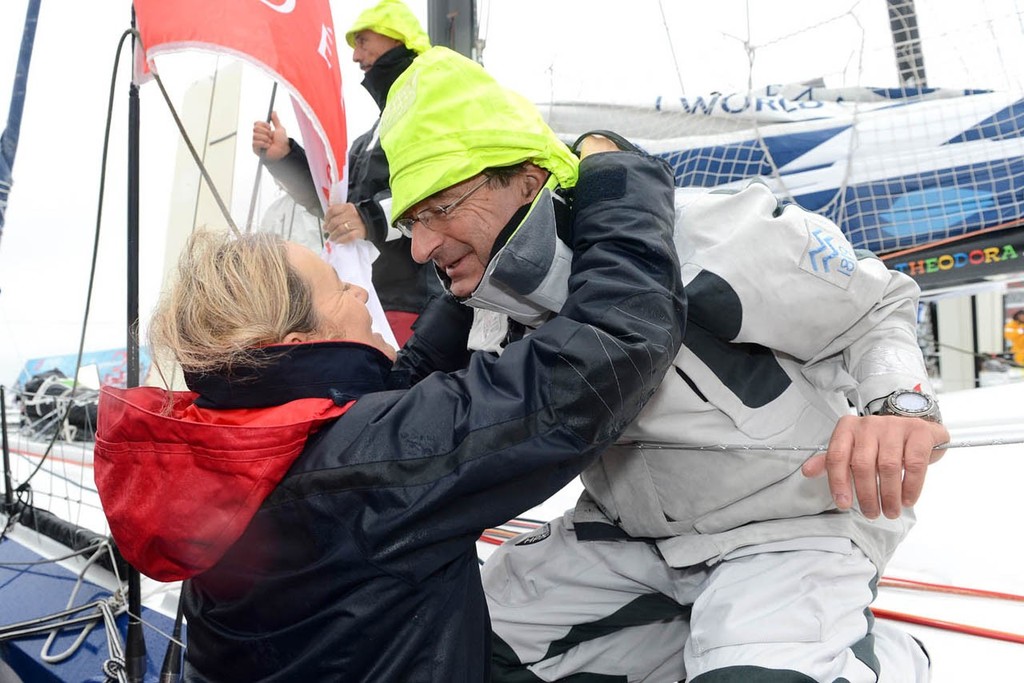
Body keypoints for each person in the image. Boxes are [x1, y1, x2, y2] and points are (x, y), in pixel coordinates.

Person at [378, 47, 952, 682]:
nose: (424, 245)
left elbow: (879, 305)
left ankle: (876, 662)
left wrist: (901, 406)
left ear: (529, 178)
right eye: (411, 223)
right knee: (441, 649)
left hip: (788, 527)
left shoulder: (708, 235)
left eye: (440, 208)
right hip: (626, 537)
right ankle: (700, 648)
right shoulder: (488, 308)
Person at [92, 137, 685, 681]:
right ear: (296, 344)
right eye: (337, 287)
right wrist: (616, 178)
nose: (358, 289)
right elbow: (609, 350)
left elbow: (385, 416)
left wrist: (466, 289)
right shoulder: (369, 462)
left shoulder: (223, 445)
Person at [251, 0, 435, 346]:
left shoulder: (431, 111)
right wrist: (286, 156)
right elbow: (338, 206)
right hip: (368, 298)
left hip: (416, 303)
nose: (354, 56)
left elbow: (437, 186)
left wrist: (368, 218)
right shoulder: (372, 137)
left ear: (397, 39)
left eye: (363, 41)